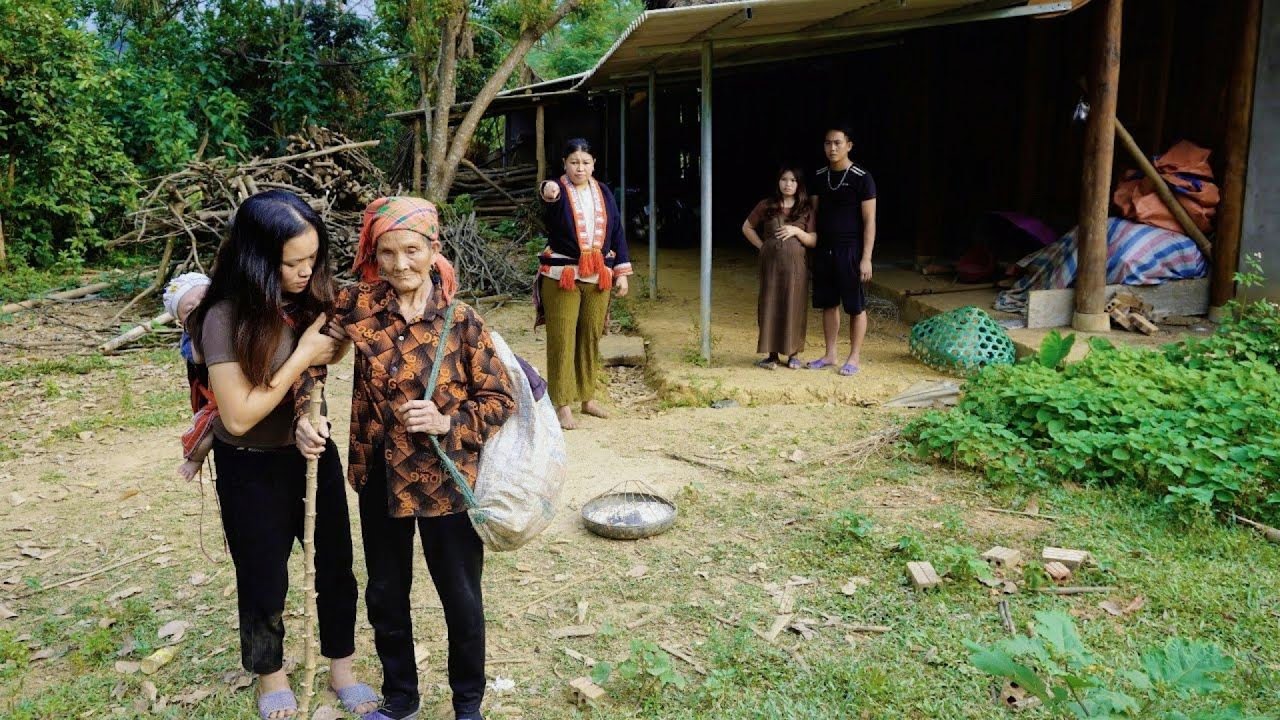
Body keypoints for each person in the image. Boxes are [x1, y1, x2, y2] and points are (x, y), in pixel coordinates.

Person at [296, 196, 516, 720]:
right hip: (379, 475)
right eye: (388, 253)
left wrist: (448, 422)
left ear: (433, 248)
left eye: (412, 250)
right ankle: (400, 700)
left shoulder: (462, 322)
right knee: (387, 594)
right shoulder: (356, 305)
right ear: (375, 253)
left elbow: (500, 400)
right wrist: (307, 410)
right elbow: (311, 356)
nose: (401, 265)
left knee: (461, 599)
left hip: (448, 478)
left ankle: (468, 705)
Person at [187, 190, 376, 720]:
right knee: (263, 572)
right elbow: (239, 415)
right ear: (256, 259)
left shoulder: (309, 296)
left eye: (312, 258)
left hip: (310, 451)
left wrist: (325, 359)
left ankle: (343, 666)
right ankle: (271, 673)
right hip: (248, 461)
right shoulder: (222, 318)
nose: (305, 271)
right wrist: (304, 355)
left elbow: (327, 355)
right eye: (292, 262)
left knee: (336, 564)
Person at [535, 138, 632, 430]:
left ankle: (587, 397)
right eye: (574, 162)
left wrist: (622, 272)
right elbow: (547, 197)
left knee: (591, 334)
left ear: (594, 164)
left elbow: (616, 231)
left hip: (597, 274)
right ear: (564, 164)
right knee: (563, 337)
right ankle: (562, 402)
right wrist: (547, 189)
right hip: (562, 274)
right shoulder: (558, 189)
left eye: (586, 162)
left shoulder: (603, 191)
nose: (580, 168)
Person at [808, 124, 877, 376]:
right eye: (828, 143)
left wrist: (866, 258)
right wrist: (811, 246)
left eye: (837, 142)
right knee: (828, 303)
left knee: (855, 305)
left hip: (851, 250)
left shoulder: (862, 177)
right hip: (824, 249)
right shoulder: (819, 176)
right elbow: (814, 215)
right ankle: (830, 354)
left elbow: (870, 220)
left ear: (849, 145)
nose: (832, 147)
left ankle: (854, 357)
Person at [741, 167, 817, 369]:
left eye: (792, 180)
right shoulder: (767, 205)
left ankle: (793, 354)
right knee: (770, 304)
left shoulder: (806, 208)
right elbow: (746, 227)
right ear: (778, 182)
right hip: (771, 266)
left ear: (798, 184)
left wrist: (795, 231)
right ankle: (771, 355)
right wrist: (762, 246)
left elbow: (814, 239)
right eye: (784, 179)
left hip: (796, 268)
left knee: (794, 305)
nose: (788, 184)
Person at [162, 271, 216, 481]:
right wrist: (198, 329)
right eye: (189, 309)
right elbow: (199, 358)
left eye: (204, 300)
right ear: (181, 322)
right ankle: (195, 459)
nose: (199, 308)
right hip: (214, 400)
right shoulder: (190, 337)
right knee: (203, 433)